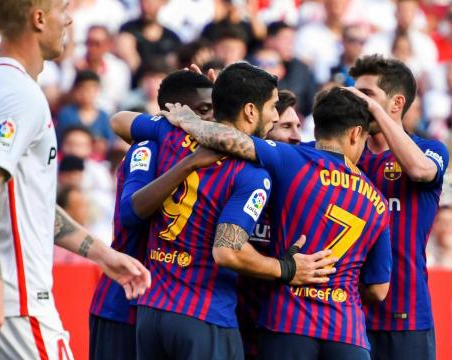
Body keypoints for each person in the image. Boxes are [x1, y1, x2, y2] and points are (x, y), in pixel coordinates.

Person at [0, 1, 150, 359]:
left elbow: (24, 205)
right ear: (38, 19)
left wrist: (101, 254)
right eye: (61, 10)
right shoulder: (21, 95)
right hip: (12, 302)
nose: (68, 19)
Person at [113, 63, 342, 360]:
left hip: (152, 312)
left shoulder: (170, 130)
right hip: (205, 314)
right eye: (273, 107)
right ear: (250, 111)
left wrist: (183, 121)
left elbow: (119, 120)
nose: (275, 116)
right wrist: (288, 269)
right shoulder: (252, 175)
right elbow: (227, 252)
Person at [159, 86, 393, 359]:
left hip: (288, 323)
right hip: (347, 333)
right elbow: (378, 289)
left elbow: (227, 138)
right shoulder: (377, 200)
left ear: (316, 127)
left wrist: (188, 120)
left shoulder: (291, 159)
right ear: (356, 134)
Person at [90, 69, 216, 360]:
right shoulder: (148, 148)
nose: (210, 120)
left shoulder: (208, 157)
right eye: (204, 110)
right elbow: (130, 213)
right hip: (122, 305)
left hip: (164, 306)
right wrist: (187, 166)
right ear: (170, 115)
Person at [348, 55, 449, 360]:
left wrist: (377, 114)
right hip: (347, 315)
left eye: (367, 95)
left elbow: (420, 171)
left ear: (396, 103)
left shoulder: (431, 149)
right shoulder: (344, 156)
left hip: (406, 314)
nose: (358, 102)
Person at [236, 89, 300, 360]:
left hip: (280, 331)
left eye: (298, 126)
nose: (297, 135)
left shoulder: (302, 187)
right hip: (232, 323)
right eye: (286, 126)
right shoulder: (236, 178)